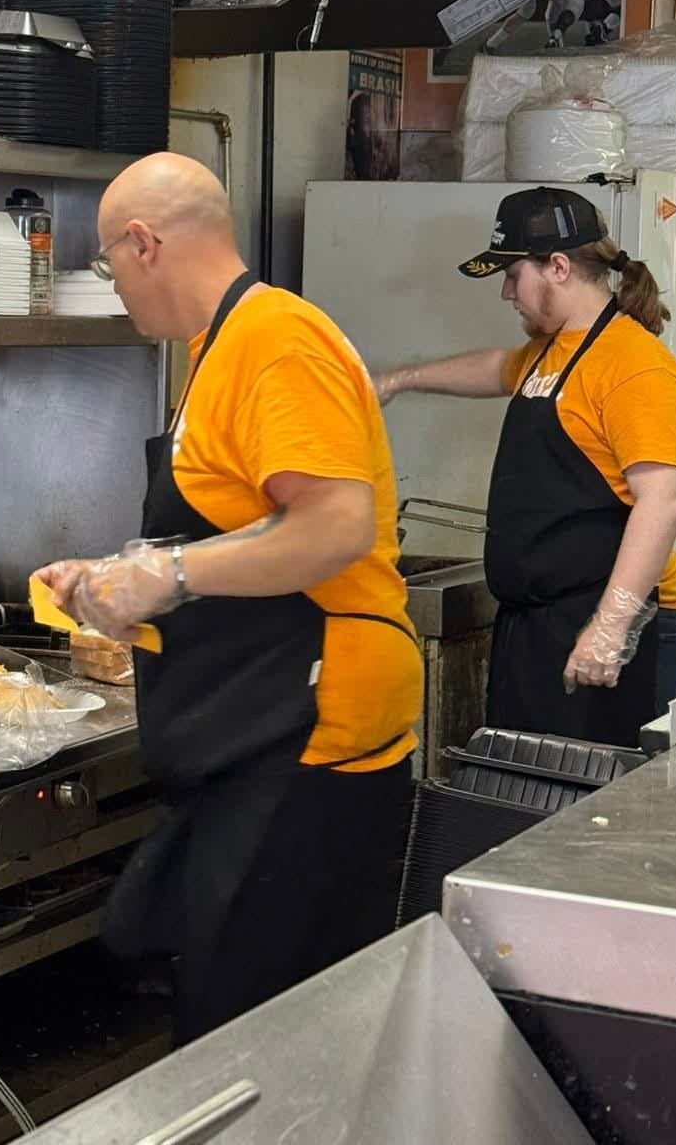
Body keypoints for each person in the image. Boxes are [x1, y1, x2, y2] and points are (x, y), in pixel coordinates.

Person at [36, 153, 422, 1045]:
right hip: (256, 729)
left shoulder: (274, 340)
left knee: (264, 1040)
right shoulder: (216, 348)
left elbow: (336, 526)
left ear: (144, 244)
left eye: (107, 262)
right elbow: (243, 526)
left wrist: (168, 577)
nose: (115, 285)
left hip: (310, 739)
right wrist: (121, 572)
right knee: (235, 1020)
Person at [374, 186, 676, 748]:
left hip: (617, 627)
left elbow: (664, 499)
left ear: (558, 268)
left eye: (512, 275)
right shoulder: (551, 349)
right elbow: (496, 368)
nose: (506, 293)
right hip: (541, 622)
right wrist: (399, 379)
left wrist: (610, 627)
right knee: (527, 784)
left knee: (591, 796)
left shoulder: (635, 366)